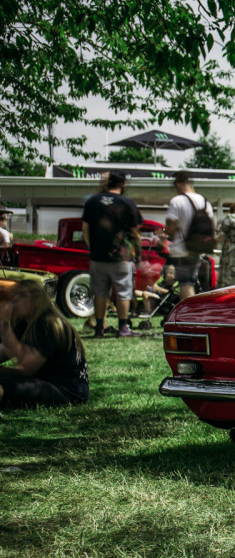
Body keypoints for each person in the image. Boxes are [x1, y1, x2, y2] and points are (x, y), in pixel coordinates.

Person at [0, 279, 88, 409]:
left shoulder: (50, 325)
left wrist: (5, 325)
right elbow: (5, 351)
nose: (14, 301)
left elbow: (26, 367)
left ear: (36, 301)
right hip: (41, 381)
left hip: (65, 390)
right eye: (14, 296)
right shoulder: (23, 323)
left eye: (21, 296)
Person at [81, 171, 143, 338]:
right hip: (121, 256)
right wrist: (137, 253)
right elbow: (135, 231)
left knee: (100, 292)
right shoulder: (127, 203)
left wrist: (92, 247)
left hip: (97, 256)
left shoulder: (92, 201)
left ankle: (99, 327)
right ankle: (123, 328)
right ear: (123, 183)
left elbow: (85, 229)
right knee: (123, 291)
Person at [165, 171, 215, 300]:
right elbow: (211, 225)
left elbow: (170, 227)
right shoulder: (205, 201)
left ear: (178, 184)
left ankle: (186, 316)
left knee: (185, 284)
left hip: (181, 250)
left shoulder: (177, 201)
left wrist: (167, 234)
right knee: (191, 282)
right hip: (198, 248)